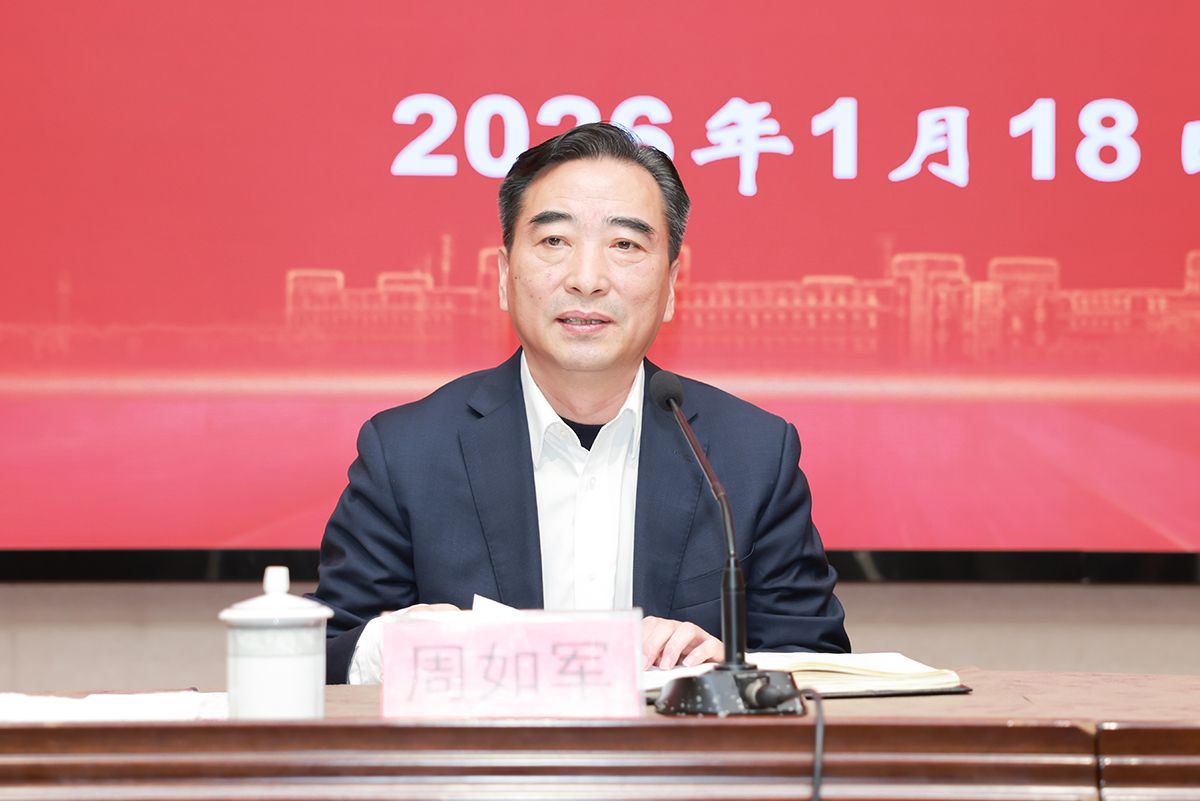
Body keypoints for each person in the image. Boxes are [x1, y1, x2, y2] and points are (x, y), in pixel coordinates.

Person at [309, 122, 849, 684]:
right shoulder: (407, 453)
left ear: (671, 286)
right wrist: (403, 645)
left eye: (625, 245)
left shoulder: (750, 456)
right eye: (554, 242)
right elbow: (326, 655)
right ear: (504, 276)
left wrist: (728, 668)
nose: (587, 280)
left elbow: (821, 662)